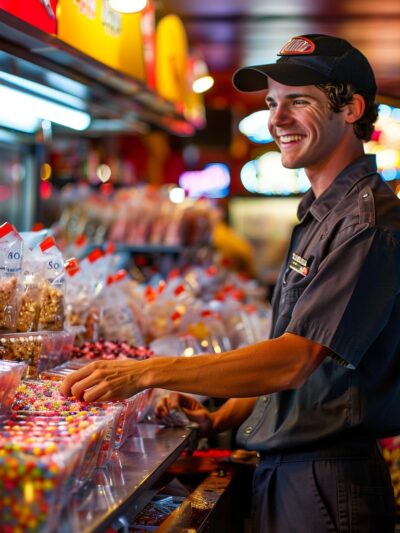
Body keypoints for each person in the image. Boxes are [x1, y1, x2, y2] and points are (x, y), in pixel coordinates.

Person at [61, 34, 400, 532]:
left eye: (298, 102)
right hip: (296, 472)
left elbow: (292, 360)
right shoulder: (322, 212)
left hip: (327, 480)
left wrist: (147, 372)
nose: (277, 120)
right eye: (271, 103)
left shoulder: (365, 223)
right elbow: (293, 355)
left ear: (351, 108)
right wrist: (219, 418)